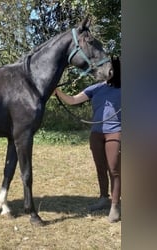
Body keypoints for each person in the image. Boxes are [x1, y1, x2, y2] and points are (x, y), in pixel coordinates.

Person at [54, 56, 121, 222]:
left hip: (116, 132)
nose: (104, 70)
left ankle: (115, 205)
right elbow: (73, 100)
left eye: (108, 68)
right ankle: (103, 198)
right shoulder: (96, 88)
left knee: (113, 169)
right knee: (100, 167)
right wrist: (56, 91)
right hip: (96, 134)